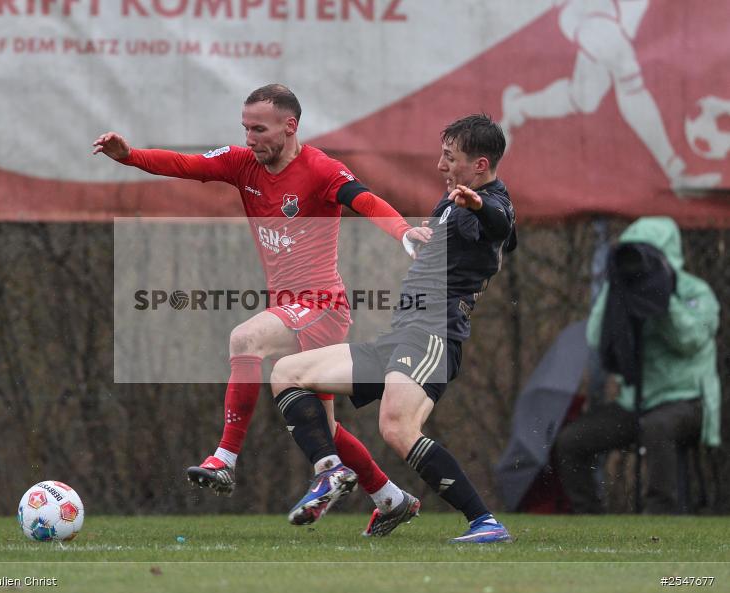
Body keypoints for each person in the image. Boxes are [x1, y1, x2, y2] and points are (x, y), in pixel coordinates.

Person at [94, 84, 432, 530]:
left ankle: (225, 458)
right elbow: (186, 164)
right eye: (246, 128)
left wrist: (404, 232)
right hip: (289, 308)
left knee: (245, 338)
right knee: (324, 428)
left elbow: (364, 200)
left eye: (259, 129)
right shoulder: (242, 164)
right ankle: (391, 498)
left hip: (321, 306)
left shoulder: (321, 169)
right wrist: (129, 156)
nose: (249, 138)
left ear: (289, 127)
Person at [270, 114, 517, 541]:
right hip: (403, 334)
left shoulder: (489, 202)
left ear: (480, 165)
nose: (440, 165)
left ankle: (484, 521)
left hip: (433, 335)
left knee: (397, 427)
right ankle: (331, 472)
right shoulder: (453, 202)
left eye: (450, 157)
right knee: (287, 373)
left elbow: (500, 225)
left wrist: (478, 207)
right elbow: (500, 239)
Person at [555, 216, 720, 514]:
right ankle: (588, 517)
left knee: (657, 426)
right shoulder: (622, 291)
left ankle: (660, 514)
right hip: (635, 402)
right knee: (571, 441)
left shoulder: (694, 292)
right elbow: (595, 338)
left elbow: (692, 341)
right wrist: (615, 291)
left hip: (686, 400)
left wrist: (663, 300)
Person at [500, 0, 720, 190]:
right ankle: (676, 173)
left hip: (620, 16)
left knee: (584, 98)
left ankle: (517, 107)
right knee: (627, 71)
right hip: (590, 11)